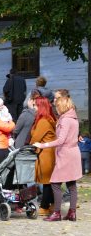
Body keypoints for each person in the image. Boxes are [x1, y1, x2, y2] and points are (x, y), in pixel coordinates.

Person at [33, 91, 82, 222]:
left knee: (55, 183)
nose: (55, 108)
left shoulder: (66, 120)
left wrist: (42, 145)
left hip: (65, 154)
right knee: (72, 185)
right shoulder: (74, 118)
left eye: (57, 106)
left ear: (62, 106)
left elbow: (61, 140)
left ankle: (57, 213)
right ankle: (72, 213)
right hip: (73, 153)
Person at [29, 95, 56, 216]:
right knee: (48, 181)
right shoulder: (47, 119)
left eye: (35, 105)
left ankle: (45, 206)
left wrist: (30, 145)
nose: (33, 107)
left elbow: (35, 138)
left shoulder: (43, 121)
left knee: (46, 181)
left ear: (40, 107)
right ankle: (52, 204)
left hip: (46, 153)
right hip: (48, 152)